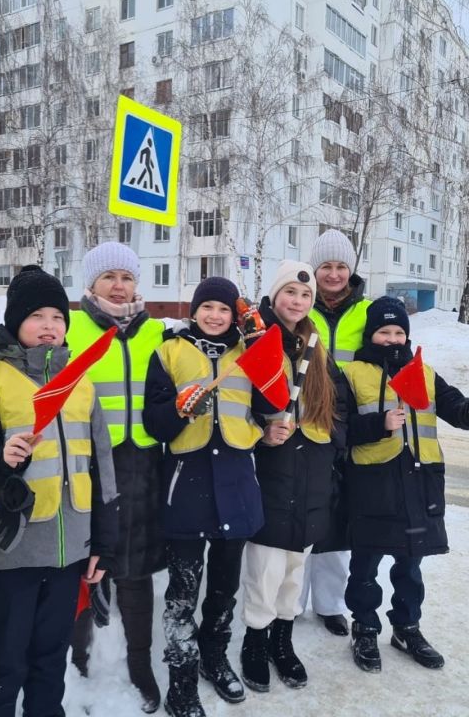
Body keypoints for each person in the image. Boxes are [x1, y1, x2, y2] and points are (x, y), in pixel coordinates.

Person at [0, 265, 118, 717]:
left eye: (58, 317)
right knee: (5, 658)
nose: (49, 326)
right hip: (14, 549)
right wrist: (2, 460)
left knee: (52, 656)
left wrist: (103, 543)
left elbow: (102, 468)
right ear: (15, 322)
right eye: (37, 316)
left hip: (70, 550)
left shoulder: (81, 385)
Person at [143, 277, 265, 717]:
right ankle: (182, 679)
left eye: (224, 309)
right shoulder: (169, 351)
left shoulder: (248, 354)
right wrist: (177, 408)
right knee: (182, 594)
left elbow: (270, 405)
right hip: (187, 485)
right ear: (194, 311)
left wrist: (263, 347)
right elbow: (154, 424)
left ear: (235, 315)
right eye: (207, 307)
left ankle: (215, 657)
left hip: (236, 484)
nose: (215, 316)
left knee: (224, 589)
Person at [343, 297, 469, 672]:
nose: (393, 338)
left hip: (419, 482)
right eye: (384, 332)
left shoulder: (424, 372)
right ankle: (364, 626)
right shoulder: (351, 374)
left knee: (410, 566)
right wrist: (378, 425)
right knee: (365, 564)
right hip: (372, 484)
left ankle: (406, 626)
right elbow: (339, 429)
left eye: (399, 332)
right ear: (370, 335)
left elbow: (457, 409)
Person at [67, 242, 165, 713]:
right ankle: (78, 654)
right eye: (109, 277)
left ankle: (139, 660)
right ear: (91, 283)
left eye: (126, 277)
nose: (119, 286)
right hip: (88, 462)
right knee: (86, 560)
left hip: (143, 458)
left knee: (137, 564)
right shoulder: (71, 328)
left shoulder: (157, 333)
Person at [241, 261, 347, 692]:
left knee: (295, 565)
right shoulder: (254, 339)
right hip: (273, 468)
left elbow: (337, 406)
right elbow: (238, 403)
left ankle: (282, 641)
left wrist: (332, 440)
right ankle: (255, 640)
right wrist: (261, 432)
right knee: (266, 564)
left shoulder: (315, 344)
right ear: (275, 295)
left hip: (312, 471)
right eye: (289, 293)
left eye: (304, 296)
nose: (297, 302)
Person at [301, 229, 372, 637]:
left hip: (350, 428)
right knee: (301, 513)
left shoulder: (365, 313)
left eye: (340, 266)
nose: (332, 274)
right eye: (325, 266)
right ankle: (289, 603)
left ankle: (329, 604)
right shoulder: (301, 306)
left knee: (339, 518)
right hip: (306, 425)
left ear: (351, 270)